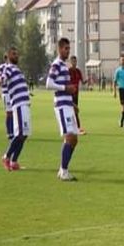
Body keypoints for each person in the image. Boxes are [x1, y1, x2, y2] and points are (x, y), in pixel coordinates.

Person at [46, 37, 80, 181]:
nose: (68, 51)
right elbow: (48, 83)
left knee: (74, 140)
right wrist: (65, 87)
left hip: (67, 105)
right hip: (61, 106)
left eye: (69, 48)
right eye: (66, 48)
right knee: (69, 137)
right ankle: (64, 171)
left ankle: (62, 169)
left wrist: (72, 104)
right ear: (59, 49)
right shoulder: (56, 65)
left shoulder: (64, 66)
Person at [0, 47, 31, 171]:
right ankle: (6, 156)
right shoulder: (9, 68)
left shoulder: (17, 69)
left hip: (25, 103)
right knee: (20, 134)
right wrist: (0, 82)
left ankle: (14, 161)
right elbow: (2, 79)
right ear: (8, 56)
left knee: (25, 135)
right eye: (13, 54)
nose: (16, 56)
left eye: (17, 54)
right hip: (18, 104)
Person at [0, 53, 14, 141]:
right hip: (6, 93)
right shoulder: (2, 67)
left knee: (13, 113)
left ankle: (13, 132)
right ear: (6, 58)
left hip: (13, 93)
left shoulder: (13, 67)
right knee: (9, 113)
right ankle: (9, 133)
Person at [69, 55, 86, 134]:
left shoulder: (78, 71)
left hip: (76, 93)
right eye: (72, 61)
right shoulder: (68, 71)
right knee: (74, 110)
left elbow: (82, 82)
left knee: (75, 110)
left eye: (75, 61)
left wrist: (87, 81)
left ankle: (75, 128)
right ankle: (77, 128)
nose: (74, 63)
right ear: (70, 62)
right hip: (69, 93)